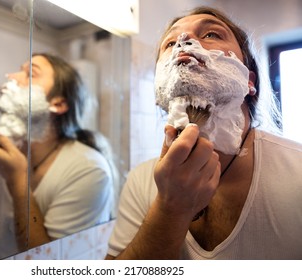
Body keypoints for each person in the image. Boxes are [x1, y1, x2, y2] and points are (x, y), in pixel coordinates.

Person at [106, 6, 302, 260]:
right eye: (170, 42)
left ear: (249, 81)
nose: (184, 41)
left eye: (211, 34)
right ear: (158, 87)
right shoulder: (140, 182)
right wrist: (169, 209)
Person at [0, 53, 116, 259]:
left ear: (58, 104)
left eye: (30, 74)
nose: (11, 76)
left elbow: (47, 265)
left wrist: (17, 181)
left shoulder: (87, 170)